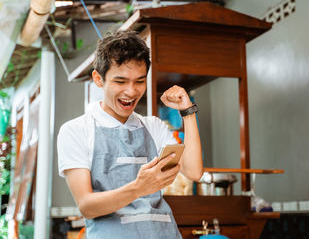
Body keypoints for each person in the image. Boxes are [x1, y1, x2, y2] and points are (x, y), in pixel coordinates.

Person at [57, 30, 203, 239]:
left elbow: (194, 171)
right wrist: (139, 188)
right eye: (120, 81)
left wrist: (187, 113)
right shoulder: (76, 130)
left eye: (139, 81)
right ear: (98, 79)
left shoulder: (153, 126)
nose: (131, 91)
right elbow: (87, 206)